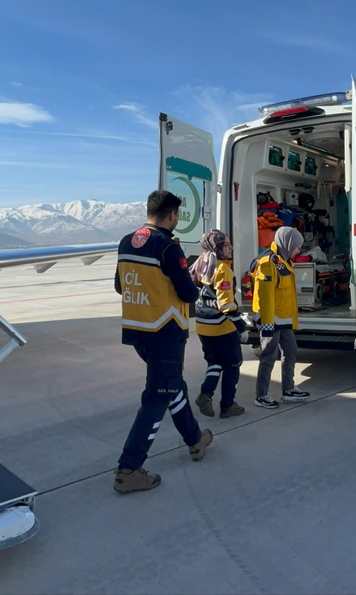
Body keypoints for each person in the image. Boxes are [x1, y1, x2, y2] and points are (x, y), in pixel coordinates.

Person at [112, 190, 213, 493]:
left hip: (138, 329)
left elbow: (120, 286)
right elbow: (187, 294)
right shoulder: (169, 248)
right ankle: (128, 469)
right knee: (157, 396)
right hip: (166, 331)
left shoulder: (125, 242)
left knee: (172, 386)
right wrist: (195, 282)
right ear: (172, 215)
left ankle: (195, 440)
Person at [251, 226, 311, 409]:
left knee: (291, 351)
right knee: (269, 356)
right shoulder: (268, 263)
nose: (298, 250)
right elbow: (265, 296)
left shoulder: (283, 261)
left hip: (283, 318)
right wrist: (267, 323)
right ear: (288, 243)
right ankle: (261, 395)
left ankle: (289, 389)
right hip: (271, 319)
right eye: (297, 247)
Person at [190, 230, 247, 420]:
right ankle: (228, 406)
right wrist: (241, 326)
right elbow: (226, 305)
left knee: (214, 363)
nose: (230, 248)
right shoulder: (222, 269)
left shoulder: (201, 263)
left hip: (203, 326)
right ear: (217, 247)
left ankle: (206, 394)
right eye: (227, 244)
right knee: (232, 364)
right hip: (221, 327)